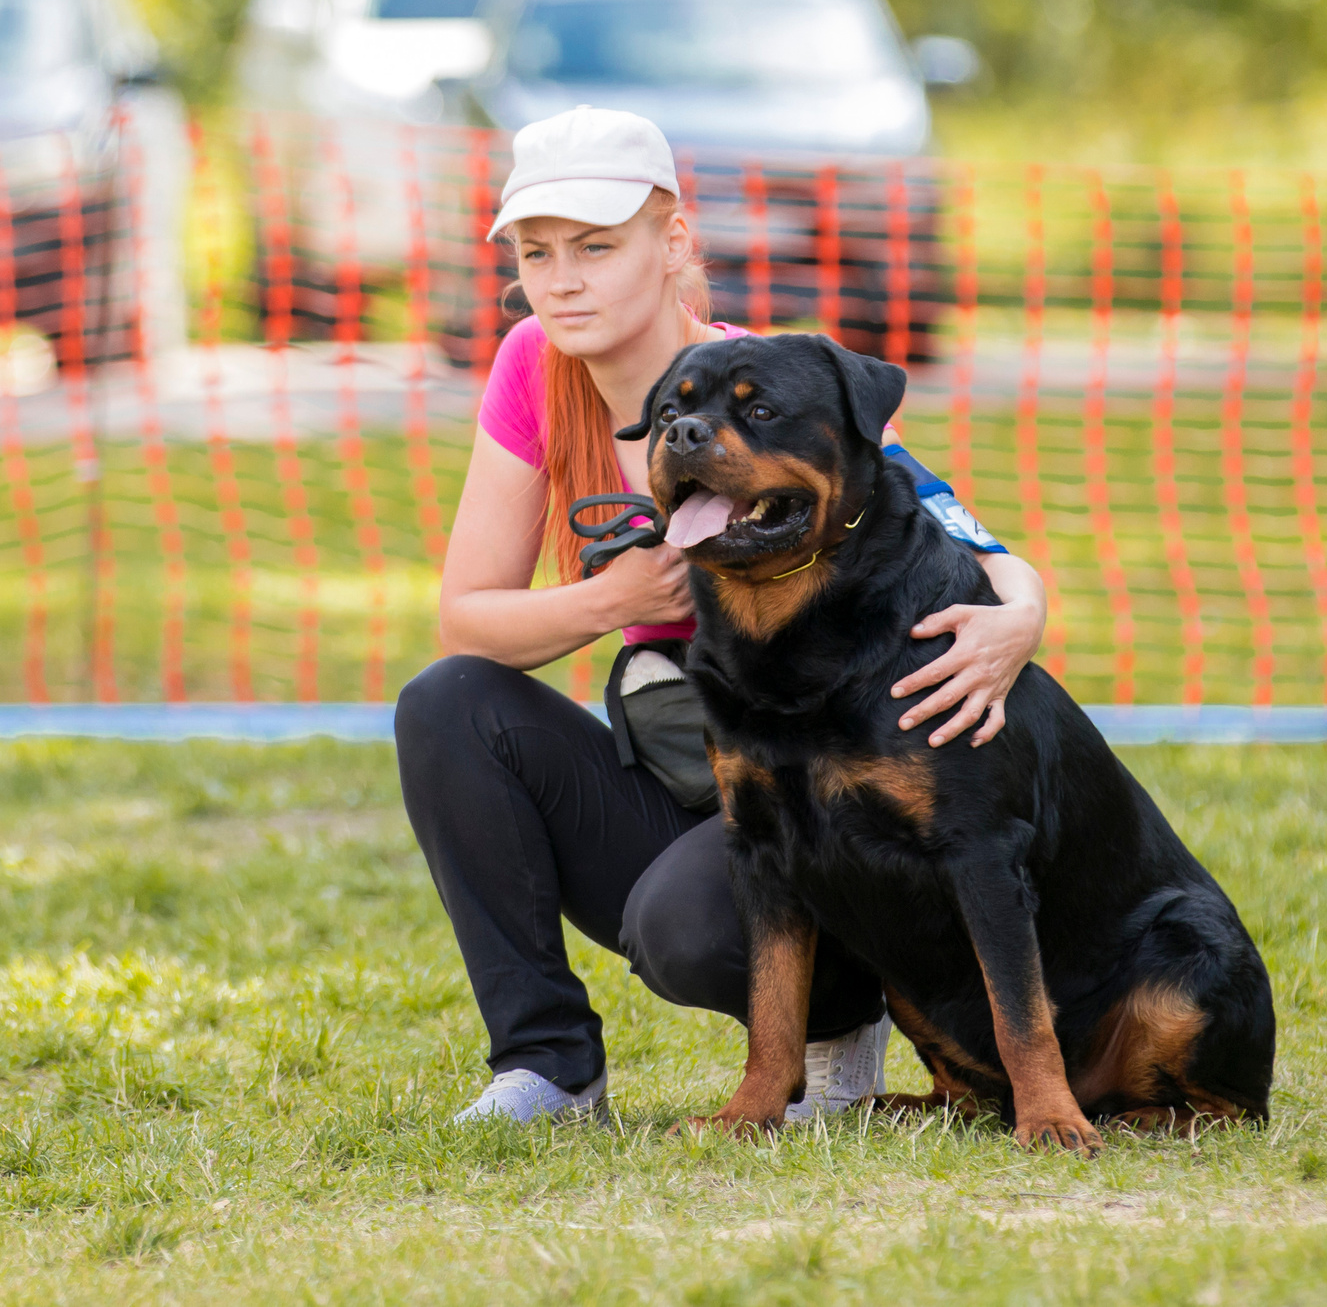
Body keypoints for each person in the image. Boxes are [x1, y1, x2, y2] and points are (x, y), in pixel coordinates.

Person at [396, 106, 1048, 1125]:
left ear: (674, 243)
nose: (562, 279)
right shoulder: (531, 362)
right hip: (683, 768)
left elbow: (970, 543)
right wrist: (611, 600)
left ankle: (842, 1017)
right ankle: (548, 1068)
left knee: (687, 928)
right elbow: (466, 619)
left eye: (596, 246)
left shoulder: (777, 384)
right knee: (447, 702)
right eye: (537, 252)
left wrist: (1023, 615)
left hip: (823, 796)